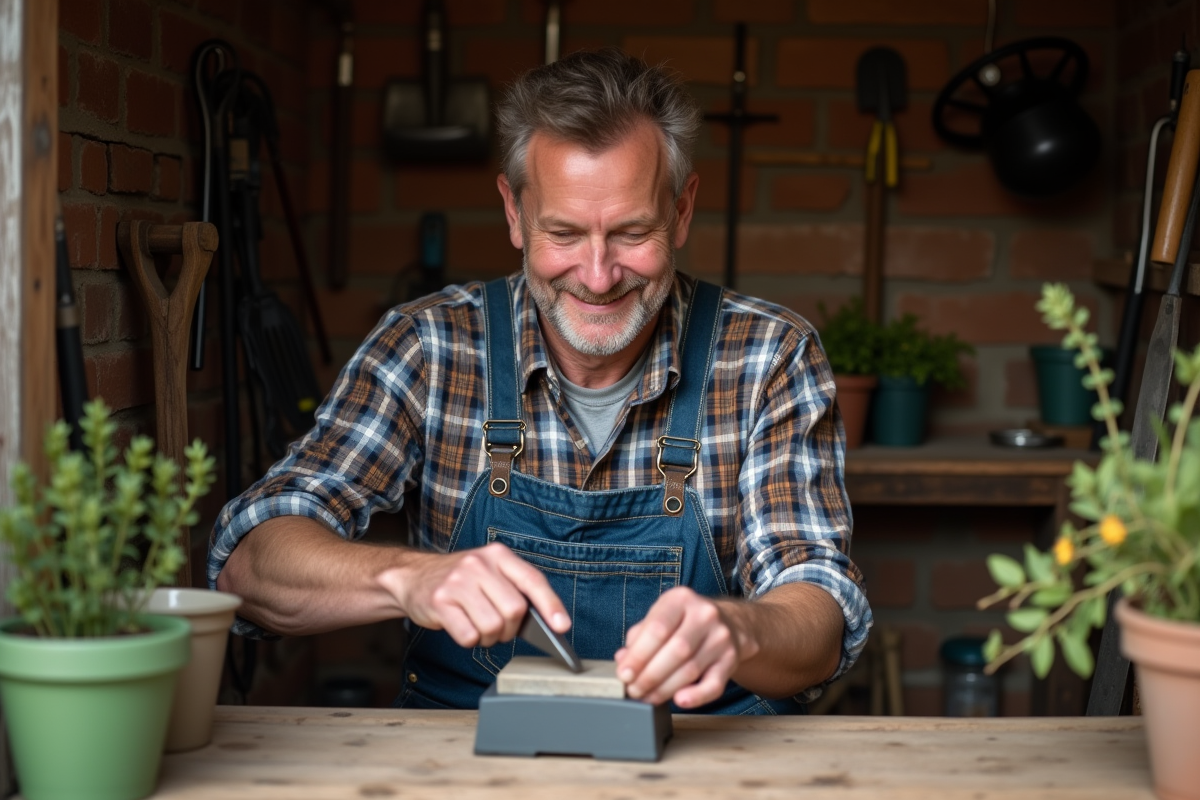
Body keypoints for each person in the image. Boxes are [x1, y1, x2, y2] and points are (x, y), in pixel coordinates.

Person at [210, 49, 871, 714]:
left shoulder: (768, 357)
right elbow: (249, 562)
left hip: (701, 766)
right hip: (460, 765)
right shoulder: (430, 346)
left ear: (682, 210)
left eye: (631, 231)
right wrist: (407, 577)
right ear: (514, 212)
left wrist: (740, 629)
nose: (597, 273)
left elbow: (818, 610)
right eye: (563, 232)